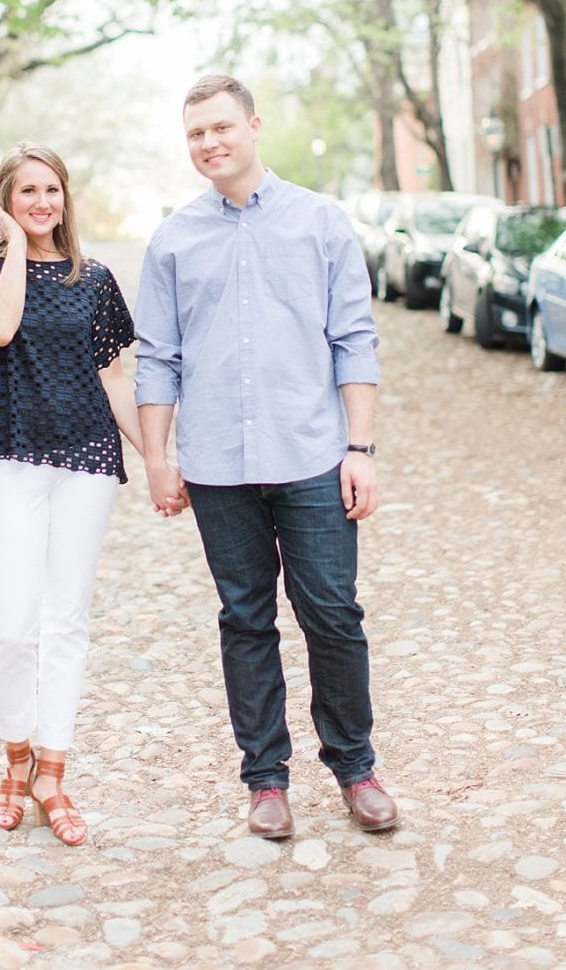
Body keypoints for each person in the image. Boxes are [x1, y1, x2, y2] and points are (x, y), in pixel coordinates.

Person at [133, 73, 396, 840]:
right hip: (216, 468)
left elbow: (354, 338)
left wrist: (360, 448)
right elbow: (157, 358)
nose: (209, 143)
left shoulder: (320, 223)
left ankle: (356, 767)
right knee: (245, 620)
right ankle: (266, 781)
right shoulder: (174, 240)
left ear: (253, 126)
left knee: (333, 616)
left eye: (221, 127)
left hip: (313, 456)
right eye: (195, 134)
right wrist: (157, 457)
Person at [0, 142, 144, 847]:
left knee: (67, 620)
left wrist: (157, 459)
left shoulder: (93, 278)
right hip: (8, 456)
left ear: (66, 198)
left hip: (87, 457)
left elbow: (115, 376)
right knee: (11, 624)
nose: (42, 203)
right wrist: (10, 246)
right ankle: (15, 763)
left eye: (51, 191)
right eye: (26, 191)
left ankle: (53, 773)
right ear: (5, 200)